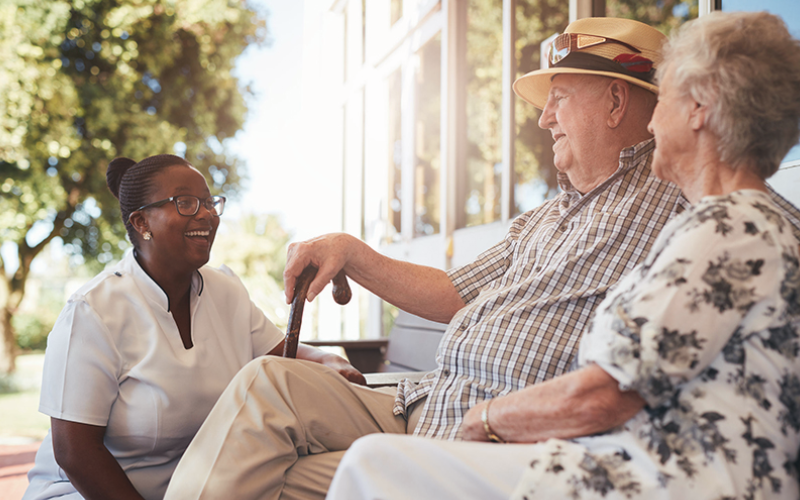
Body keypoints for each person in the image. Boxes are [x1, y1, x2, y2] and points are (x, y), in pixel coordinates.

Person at [164, 17, 800, 500]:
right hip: (440, 403)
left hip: (526, 437)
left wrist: (491, 418)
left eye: (560, 97)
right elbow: (458, 293)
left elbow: (613, 391)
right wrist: (352, 252)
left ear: (620, 103)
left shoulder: (696, 212)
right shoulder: (564, 211)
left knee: (319, 472)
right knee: (269, 401)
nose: (544, 118)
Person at [23, 154, 363, 500]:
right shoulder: (93, 312)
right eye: (185, 203)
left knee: (350, 473)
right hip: (82, 492)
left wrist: (324, 360)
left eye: (209, 202)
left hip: (199, 486)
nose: (207, 214)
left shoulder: (225, 290)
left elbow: (280, 354)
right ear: (142, 222)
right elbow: (75, 453)